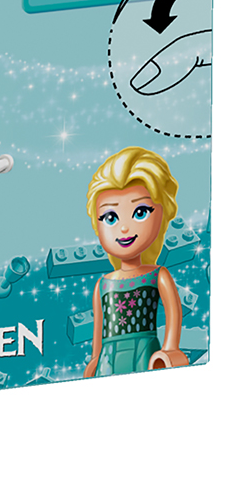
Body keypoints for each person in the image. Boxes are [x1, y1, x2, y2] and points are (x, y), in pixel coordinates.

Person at [82, 147, 189, 377]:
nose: (124, 228)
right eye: (110, 217)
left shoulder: (157, 275)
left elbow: (173, 314)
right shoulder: (103, 285)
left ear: (162, 213)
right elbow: (99, 331)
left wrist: (170, 349)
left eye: (140, 212)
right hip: (107, 358)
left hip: (145, 351)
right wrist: (93, 360)